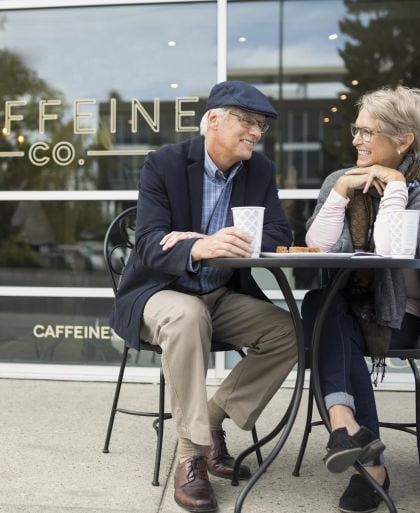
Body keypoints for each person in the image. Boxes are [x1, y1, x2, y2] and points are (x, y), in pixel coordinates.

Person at [109, 81, 297, 513]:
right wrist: (198, 248)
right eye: (247, 121)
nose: (256, 132)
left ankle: (210, 421)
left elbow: (279, 234)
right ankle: (191, 457)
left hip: (220, 292)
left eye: (262, 125)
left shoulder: (260, 170)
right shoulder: (165, 164)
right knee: (188, 315)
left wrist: (207, 238)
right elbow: (150, 243)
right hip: (160, 293)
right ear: (213, 120)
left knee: (288, 331)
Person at [303, 85, 420, 513]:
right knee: (322, 305)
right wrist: (338, 195)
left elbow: (391, 250)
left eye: (367, 132)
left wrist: (397, 186)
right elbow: (318, 245)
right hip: (347, 309)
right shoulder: (341, 179)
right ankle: (351, 434)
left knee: (324, 312)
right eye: (357, 130)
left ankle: (355, 444)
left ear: (403, 140)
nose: (356, 140)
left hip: (399, 316)